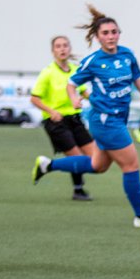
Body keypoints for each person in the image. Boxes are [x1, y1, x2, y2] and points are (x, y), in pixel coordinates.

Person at [32, 5, 140, 229]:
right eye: (105, 33)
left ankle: (48, 165)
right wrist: (74, 98)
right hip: (105, 120)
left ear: (119, 33)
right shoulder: (93, 61)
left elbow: (137, 76)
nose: (111, 36)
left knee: (98, 165)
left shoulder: (127, 54)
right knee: (131, 165)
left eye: (114, 32)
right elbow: (72, 83)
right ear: (97, 37)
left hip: (118, 118)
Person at [30, 35, 96, 201]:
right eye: (58, 46)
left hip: (75, 119)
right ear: (53, 51)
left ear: (70, 49)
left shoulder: (75, 70)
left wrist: (98, 101)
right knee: (76, 156)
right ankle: (78, 190)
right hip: (56, 122)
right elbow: (34, 98)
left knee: (94, 159)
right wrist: (51, 111)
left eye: (65, 45)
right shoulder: (48, 73)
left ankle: (47, 166)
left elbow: (83, 91)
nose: (62, 49)